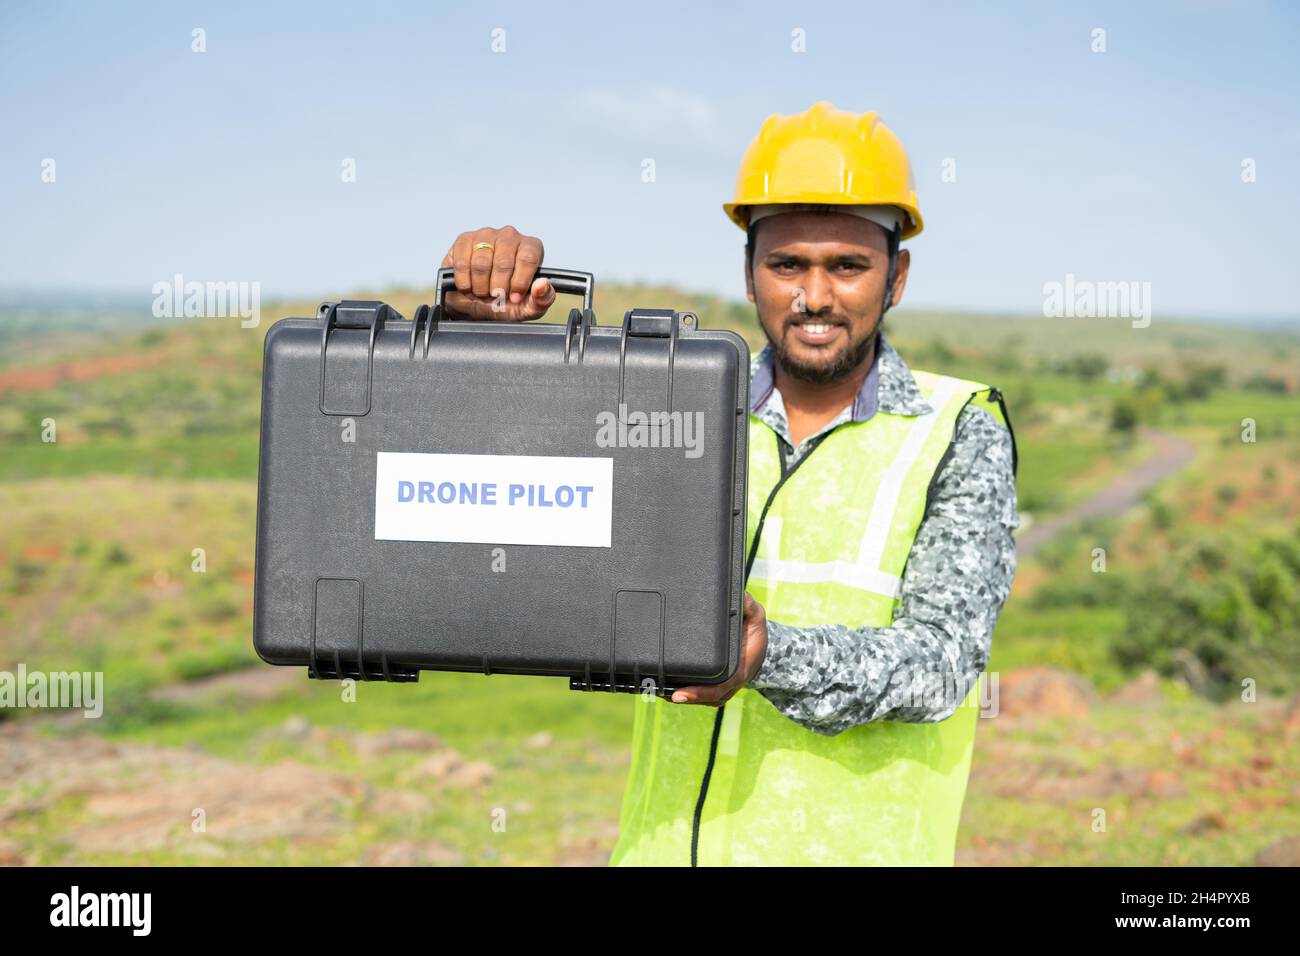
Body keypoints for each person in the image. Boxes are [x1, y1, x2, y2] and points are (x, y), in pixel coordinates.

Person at [440, 101, 1019, 866]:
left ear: (897, 276)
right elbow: (507, 500)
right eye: (787, 265)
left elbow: (942, 663)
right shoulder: (671, 407)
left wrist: (763, 656)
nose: (815, 296)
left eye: (848, 266)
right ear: (749, 274)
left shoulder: (957, 427)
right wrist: (476, 334)